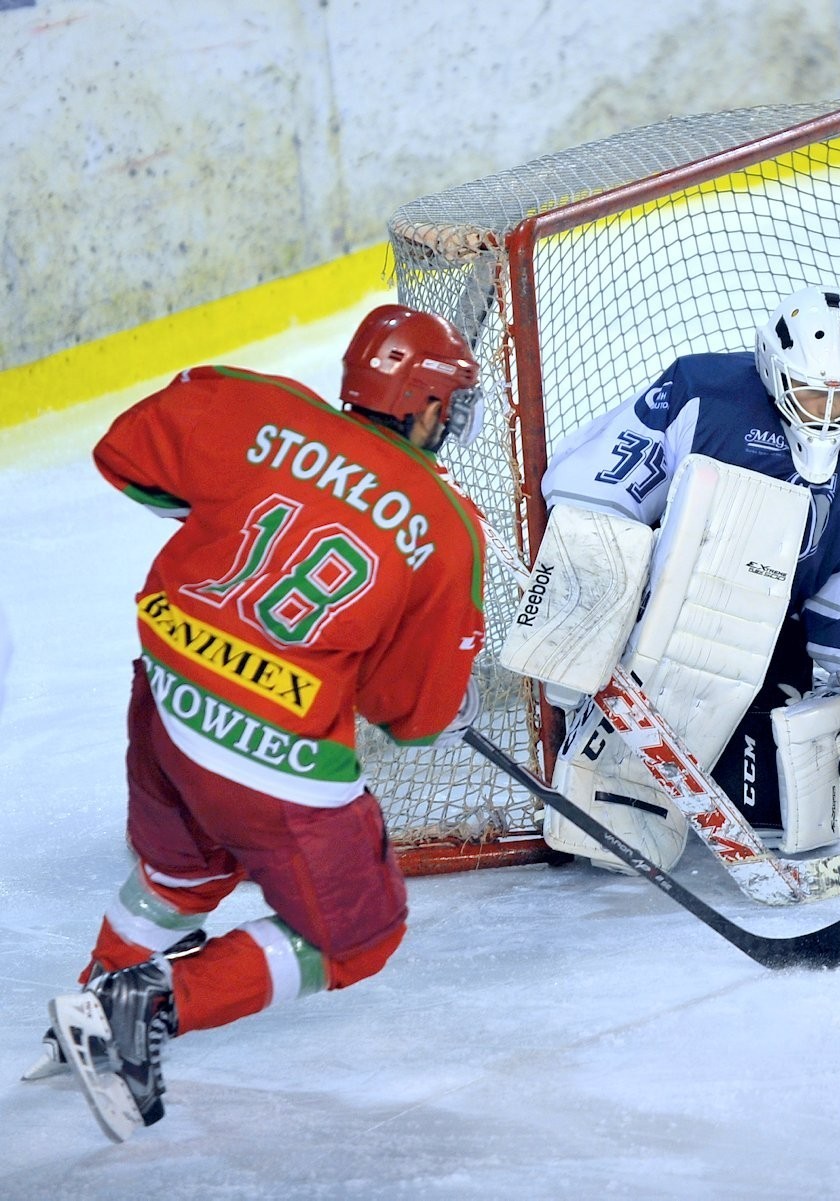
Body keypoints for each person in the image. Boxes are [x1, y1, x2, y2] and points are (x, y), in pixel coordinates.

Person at [31, 303, 488, 1142]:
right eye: (449, 404)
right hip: (267, 760)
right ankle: (147, 1006)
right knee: (359, 937)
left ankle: (93, 1001)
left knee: (183, 868)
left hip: (165, 698)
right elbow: (408, 716)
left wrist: (228, 521)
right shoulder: (445, 525)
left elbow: (125, 453)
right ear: (425, 404)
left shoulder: (258, 404)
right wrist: (444, 701)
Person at [531, 284, 840, 870]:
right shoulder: (702, 394)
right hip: (655, 606)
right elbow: (590, 499)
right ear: (774, 370)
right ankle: (604, 738)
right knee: (611, 826)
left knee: (773, 817)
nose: (825, 411)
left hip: (771, 633)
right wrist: (588, 630)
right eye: (810, 390)